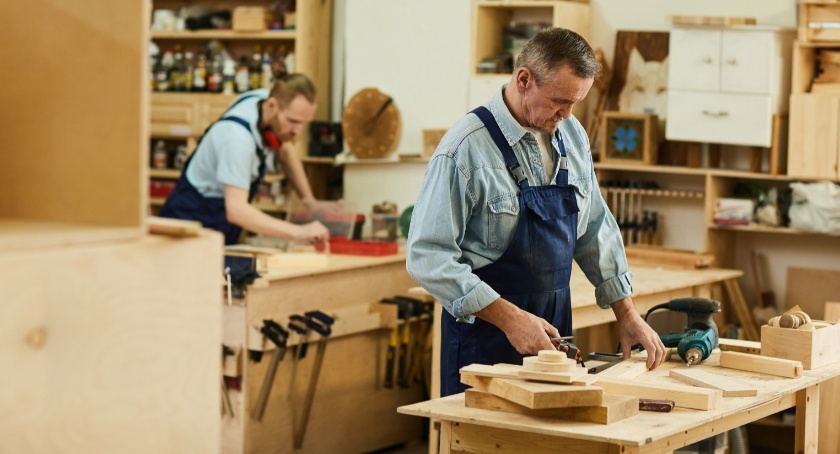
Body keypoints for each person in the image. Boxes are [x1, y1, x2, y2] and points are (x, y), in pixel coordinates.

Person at [405, 28, 666, 396]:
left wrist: (627, 313)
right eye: (559, 101)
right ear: (524, 79)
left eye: (576, 103)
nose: (568, 114)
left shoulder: (571, 134)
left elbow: (594, 228)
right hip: (486, 339)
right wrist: (510, 319)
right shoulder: (465, 149)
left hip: (552, 330)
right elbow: (427, 257)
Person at [160, 73, 329, 245]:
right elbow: (237, 211)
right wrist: (299, 232)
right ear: (271, 105)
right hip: (192, 218)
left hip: (219, 215)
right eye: (293, 122)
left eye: (304, 123)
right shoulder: (237, 140)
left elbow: (285, 149)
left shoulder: (264, 100)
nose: (297, 131)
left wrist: (309, 202)